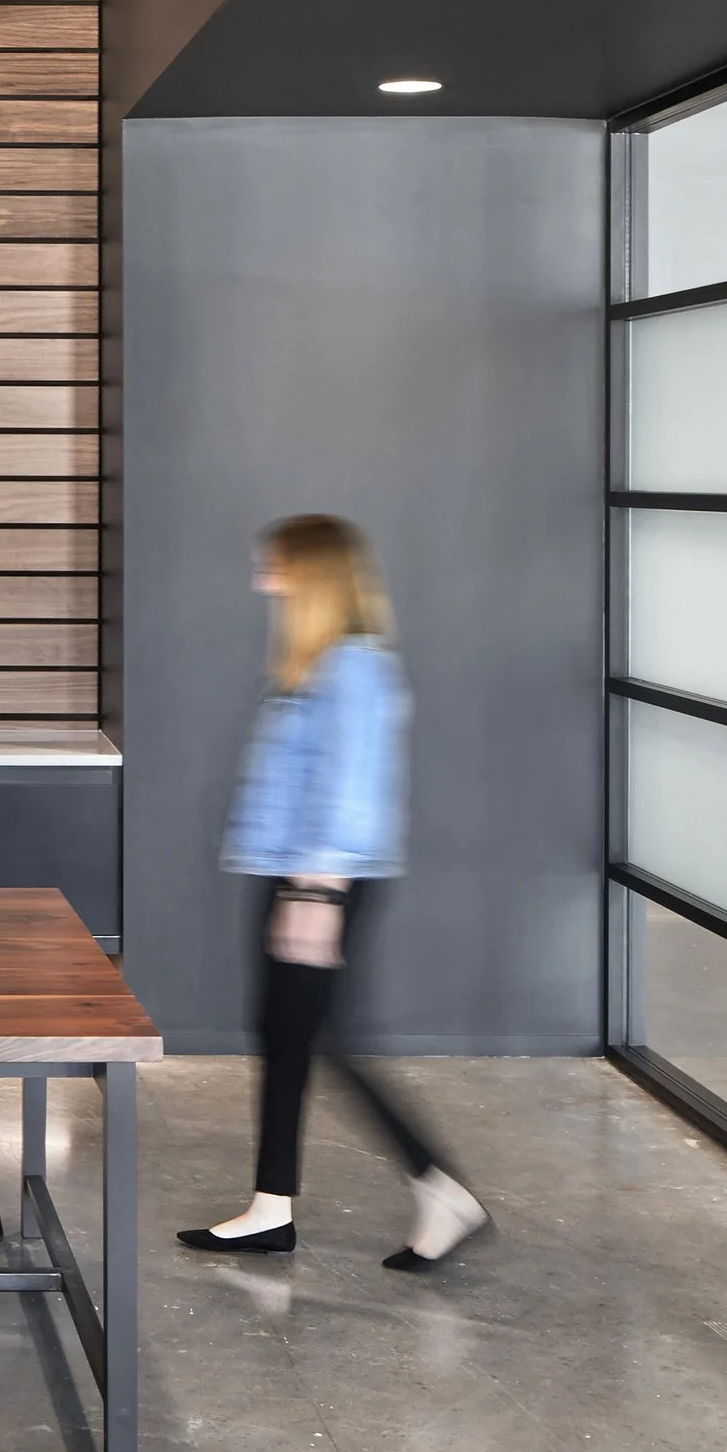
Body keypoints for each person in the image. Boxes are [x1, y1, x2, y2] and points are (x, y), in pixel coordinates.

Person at [178, 513, 487, 1275]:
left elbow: (352, 788)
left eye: (277, 567)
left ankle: (438, 1186)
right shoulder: (320, 663)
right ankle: (272, 1208)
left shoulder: (353, 667)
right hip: (293, 870)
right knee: (290, 1035)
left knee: (316, 1037)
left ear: (314, 575)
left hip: (317, 878)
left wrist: (317, 894)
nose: (263, 581)